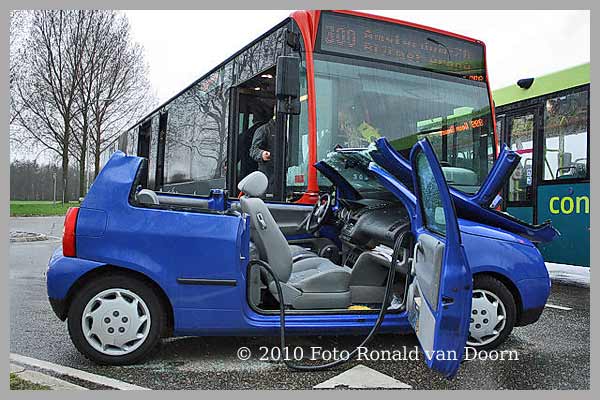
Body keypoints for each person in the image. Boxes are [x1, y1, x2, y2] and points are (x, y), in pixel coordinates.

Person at [249, 110, 276, 192]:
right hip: (268, 178)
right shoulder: (263, 130)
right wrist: (262, 154)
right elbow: (253, 150)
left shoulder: (292, 128)